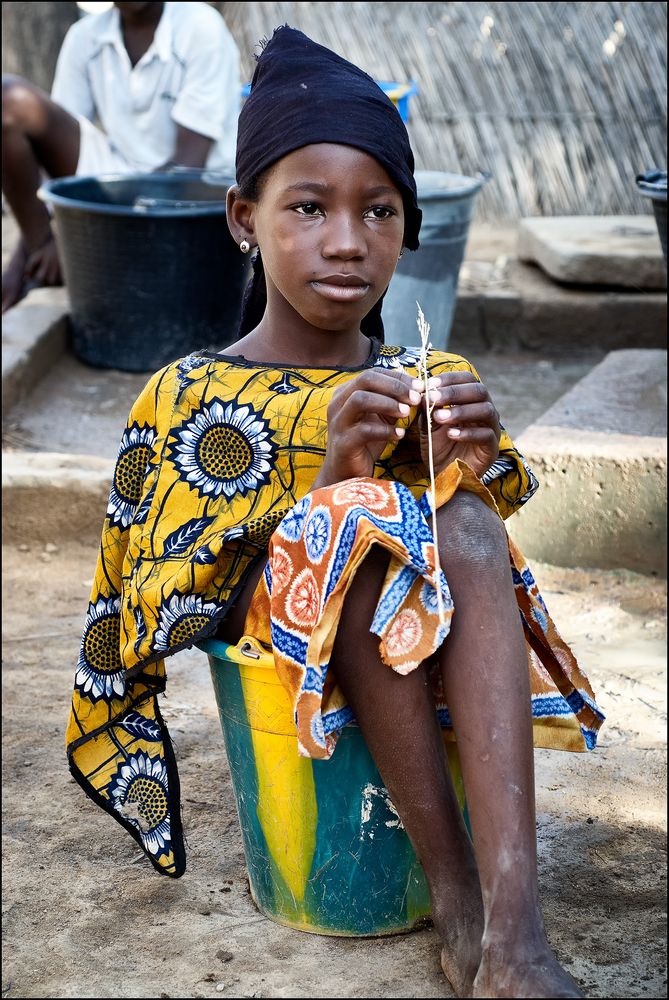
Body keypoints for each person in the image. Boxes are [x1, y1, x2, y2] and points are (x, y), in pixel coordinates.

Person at [65, 26, 604, 999]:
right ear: (243, 216)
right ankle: (459, 903)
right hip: (288, 676)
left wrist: (465, 466)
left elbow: (492, 547)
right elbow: (161, 605)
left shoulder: (423, 379)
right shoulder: (187, 396)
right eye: (308, 207)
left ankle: (518, 940)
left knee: (464, 523)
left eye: (380, 211)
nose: (348, 241)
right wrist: (331, 484)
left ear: (409, 226)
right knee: (352, 528)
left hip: (414, 644)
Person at [1, 0, 240, 312]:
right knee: (10, 101)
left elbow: (184, 170)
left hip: (192, 198)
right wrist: (29, 254)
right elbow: (50, 158)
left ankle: (72, 261)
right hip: (121, 180)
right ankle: (42, 258)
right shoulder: (84, 36)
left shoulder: (200, 26)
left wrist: (75, 240)